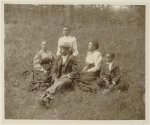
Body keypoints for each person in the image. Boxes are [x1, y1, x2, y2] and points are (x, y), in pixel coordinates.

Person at [41, 42, 79, 108]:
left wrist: (67, 75)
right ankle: (48, 97)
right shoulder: (59, 58)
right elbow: (54, 70)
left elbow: (75, 72)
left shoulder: (72, 59)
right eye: (60, 49)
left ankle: (47, 94)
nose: (61, 51)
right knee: (59, 82)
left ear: (68, 50)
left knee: (65, 81)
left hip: (68, 79)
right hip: (59, 78)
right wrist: (55, 78)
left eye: (62, 49)